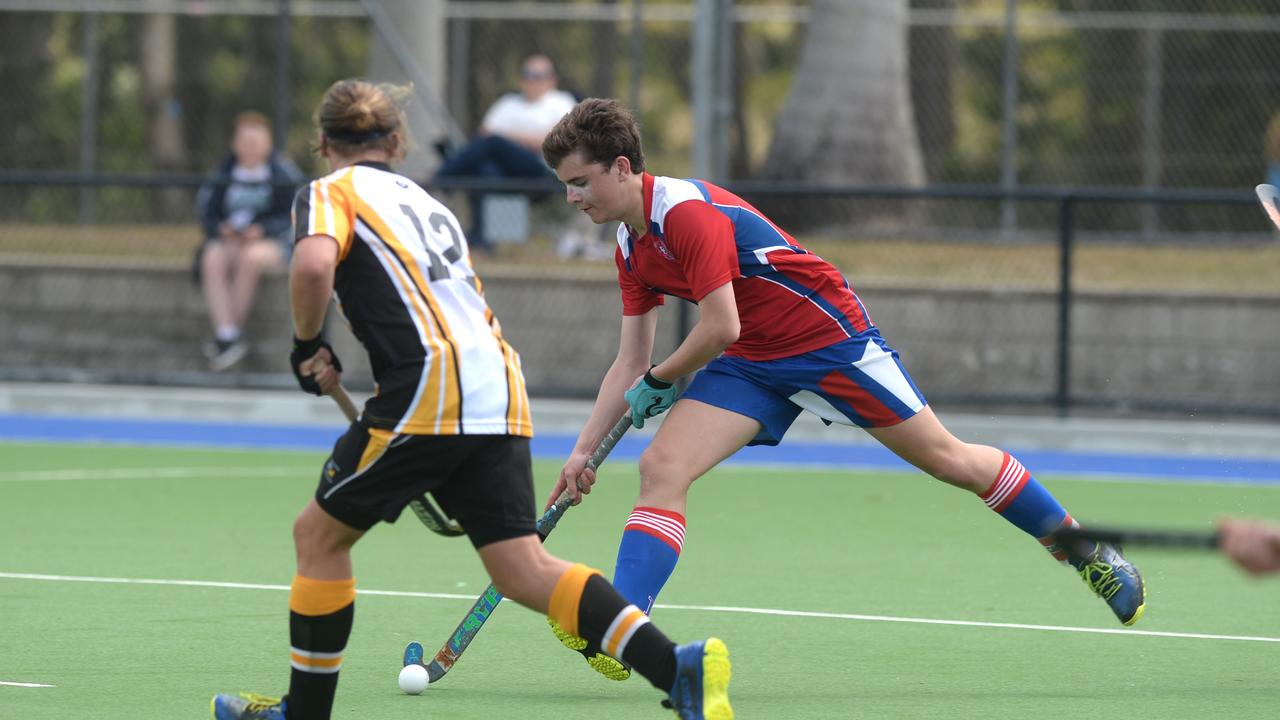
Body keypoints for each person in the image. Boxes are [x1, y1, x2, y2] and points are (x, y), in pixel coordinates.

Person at [537, 98, 1147, 680]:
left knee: (949, 460)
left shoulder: (687, 214)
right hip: (753, 360)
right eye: (567, 185)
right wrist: (584, 450)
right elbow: (630, 361)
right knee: (663, 466)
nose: (572, 197)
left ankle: (1085, 551)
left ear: (622, 167)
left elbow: (719, 325)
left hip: (829, 342)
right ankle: (626, 625)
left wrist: (662, 380)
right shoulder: (630, 243)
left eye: (581, 182)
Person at [209, 80, 732, 720]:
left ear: (323, 144)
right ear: (396, 143)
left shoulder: (327, 193)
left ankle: (304, 713)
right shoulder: (425, 202)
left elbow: (314, 266)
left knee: (316, 537)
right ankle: (675, 667)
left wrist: (305, 343)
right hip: (499, 388)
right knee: (521, 569)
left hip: (428, 389)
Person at [433, 53, 584, 254]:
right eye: (527, 74)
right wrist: (516, 139)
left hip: (542, 170)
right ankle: (484, 244)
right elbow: (482, 136)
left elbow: (554, 142)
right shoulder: (508, 103)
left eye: (538, 75)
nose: (531, 80)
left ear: (551, 80)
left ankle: (439, 180)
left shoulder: (560, 102)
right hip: (505, 170)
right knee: (486, 171)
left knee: (495, 143)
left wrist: (507, 138)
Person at [195, 111, 303, 371]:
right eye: (246, 141)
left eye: (257, 141)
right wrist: (222, 228)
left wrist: (263, 229)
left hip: (271, 241)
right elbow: (206, 213)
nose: (251, 147)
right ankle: (229, 335)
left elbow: (295, 214)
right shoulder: (222, 174)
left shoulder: (283, 174)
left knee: (252, 257)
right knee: (212, 257)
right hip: (231, 239)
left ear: (268, 144)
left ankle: (230, 335)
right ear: (235, 144)